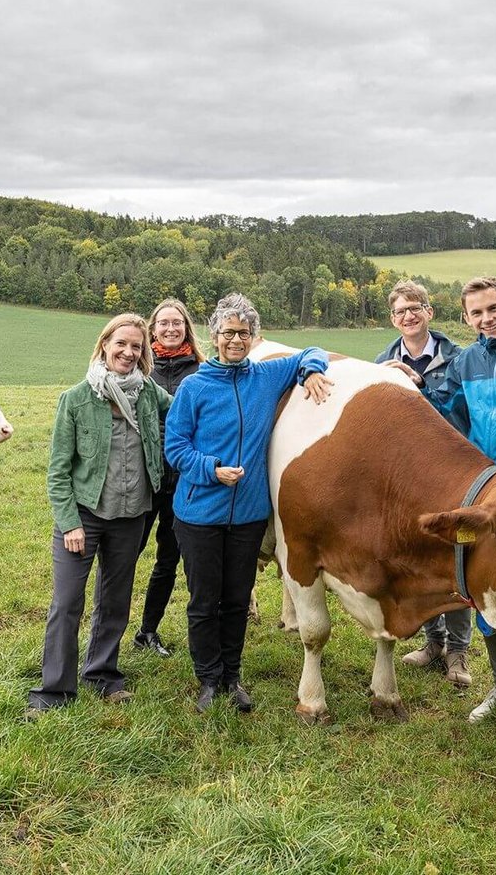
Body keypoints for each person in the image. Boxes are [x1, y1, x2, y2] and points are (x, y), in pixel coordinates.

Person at [389, 276, 496, 726]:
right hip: (482, 491)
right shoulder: (467, 360)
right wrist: (415, 388)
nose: (487, 318)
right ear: (466, 318)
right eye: (477, 313)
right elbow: (446, 415)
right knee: (485, 590)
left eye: (492, 308)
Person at [164, 293, 333, 714]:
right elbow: (175, 445)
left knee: (238, 599)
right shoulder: (194, 386)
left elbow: (311, 352)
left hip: (248, 516)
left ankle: (233, 676)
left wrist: (311, 368)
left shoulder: (265, 376)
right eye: (228, 332)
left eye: (243, 333)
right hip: (199, 512)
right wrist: (211, 468)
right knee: (205, 601)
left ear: (254, 337)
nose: (235, 339)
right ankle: (208, 678)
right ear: (215, 336)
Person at [27, 314, 173, 719]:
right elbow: (58, 471)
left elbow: (186, 410)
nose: (129, 352)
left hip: (131, 516)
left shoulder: (148, 394)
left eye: (137, 347)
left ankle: (103, 674)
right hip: (84, 517)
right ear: (104, 345)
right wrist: (70, 522)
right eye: (122, 344)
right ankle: (55, 689)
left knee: (115, 599)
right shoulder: (76, 399)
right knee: (67, 602)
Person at [374, 280, 472, 687]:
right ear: (392, 319)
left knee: (460, 555)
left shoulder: (459, 358)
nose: (408, 316)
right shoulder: (381, 363)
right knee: (420, 555)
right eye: (400, 311)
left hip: (456, 472)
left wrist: (418, 385)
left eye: (415, 308)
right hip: (410, 478)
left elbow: (463, 409)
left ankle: (459, 652)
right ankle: (433, 642)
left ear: (430, 312)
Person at [131, 299, 206, 658]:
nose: (171, 329)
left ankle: (148, 631)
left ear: (186, 327)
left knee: (169, 557)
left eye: (177, 323)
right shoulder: (141, 367)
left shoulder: (202, 370)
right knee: (126, 554)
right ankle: (107, 627)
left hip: (184, 481)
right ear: (153, 328)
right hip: (145, 477)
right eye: (164, 323)